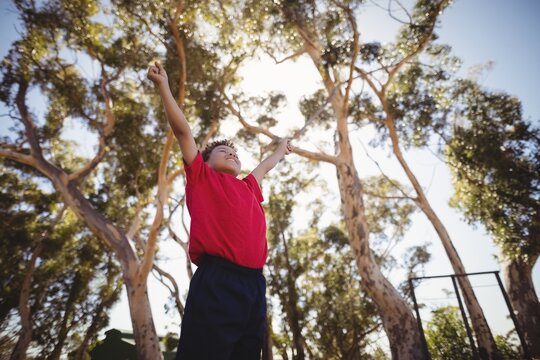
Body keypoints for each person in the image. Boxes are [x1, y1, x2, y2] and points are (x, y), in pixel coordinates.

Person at [147, 61, 292, 360]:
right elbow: (184, 132)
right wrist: (164, 87)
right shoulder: (202, 177)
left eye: (236, 153)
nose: (232, 154)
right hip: (218, 280)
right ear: (206, 161)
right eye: (223, 151)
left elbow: (264, 166)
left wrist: (281, 149)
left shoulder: (250, 186)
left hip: (254, 284)